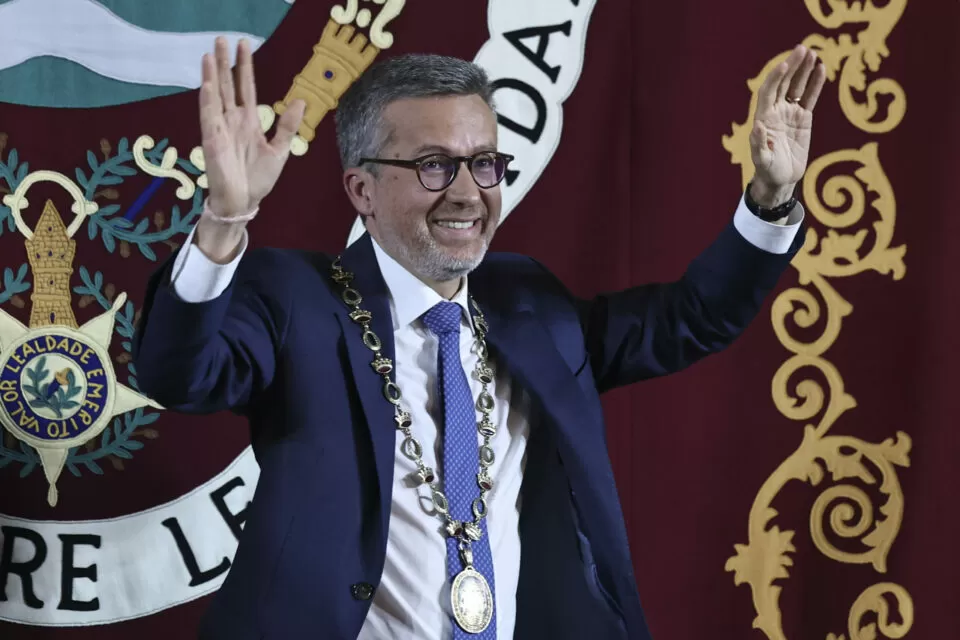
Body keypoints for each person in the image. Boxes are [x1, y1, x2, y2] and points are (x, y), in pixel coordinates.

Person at [132, 36, 826, 640]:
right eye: (434, 165)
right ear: (362, 190)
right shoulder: (297, 301)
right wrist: (224, 219)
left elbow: (689, 319)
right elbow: (177, 373)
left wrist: (769, 199)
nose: (468, 193)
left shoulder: (529, 304)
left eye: (484, 162)